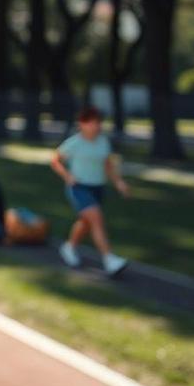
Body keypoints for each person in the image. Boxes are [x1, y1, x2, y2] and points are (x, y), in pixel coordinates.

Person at [51, 106, 131, 277]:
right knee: (96, 218)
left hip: (97, 187)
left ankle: (69, 247)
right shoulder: (74, 143)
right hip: (79, 187)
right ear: (82, 124)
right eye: (92, 123)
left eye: (98, 123)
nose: (96, 127)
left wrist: (118, 182)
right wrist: (68, 176)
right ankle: (109, 259)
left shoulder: (103, 142)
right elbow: (55, 160)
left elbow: (107, 165)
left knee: (87, 223)